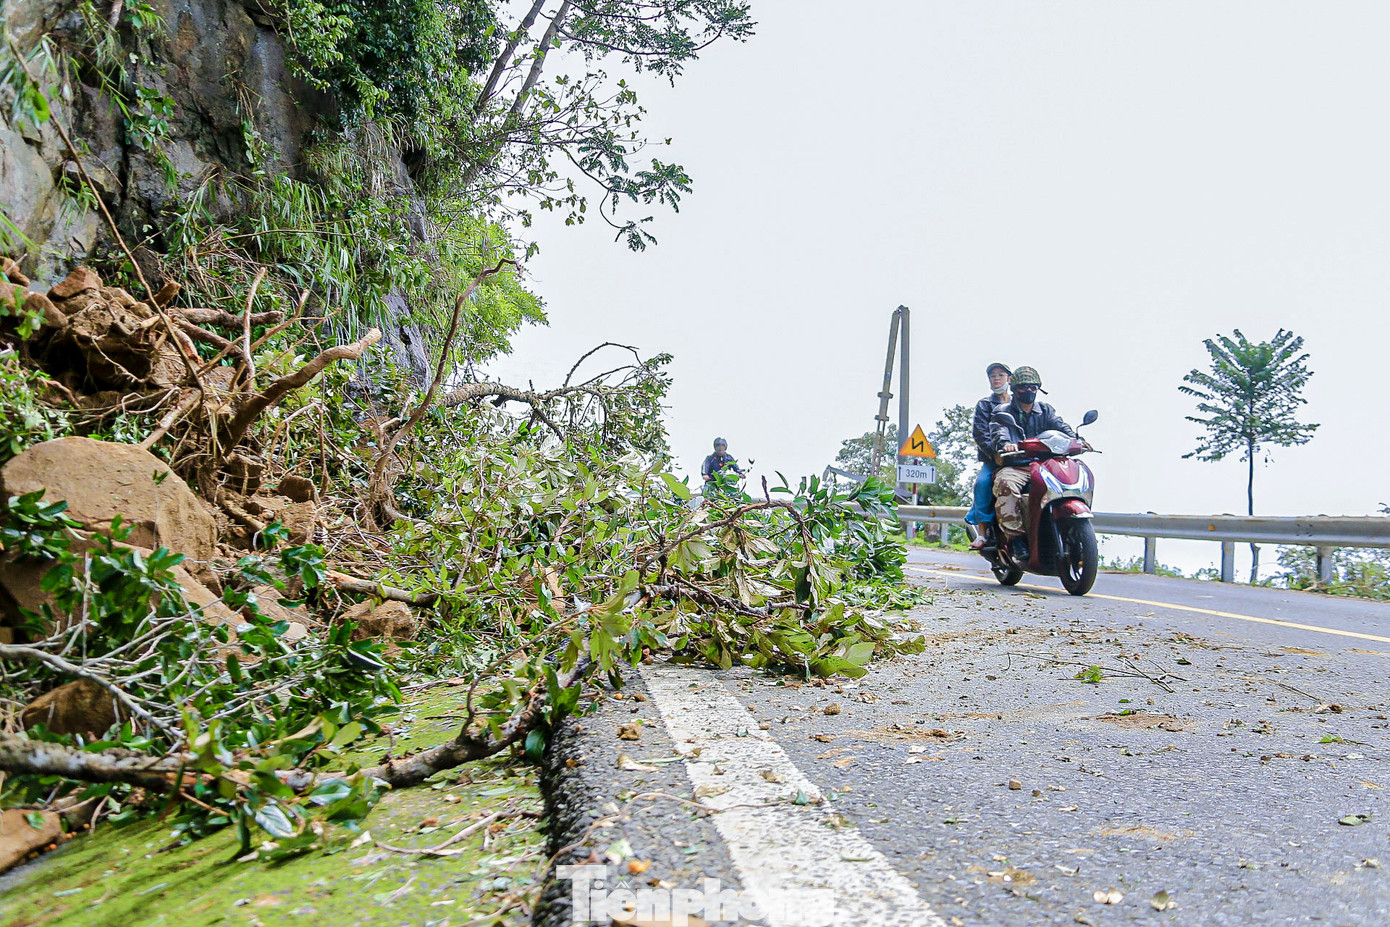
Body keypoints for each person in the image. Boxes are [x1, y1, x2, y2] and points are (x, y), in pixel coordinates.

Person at [989, 366, 1083, 551]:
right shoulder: (1003, 412)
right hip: (1017, 466)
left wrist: (1078, 440)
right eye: (1024, 387)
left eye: (1033, 387)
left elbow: (1061, 426)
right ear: (1014, 389)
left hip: (1045, 465)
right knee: (1006, 484)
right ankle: (1015, 539)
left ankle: (1069, 529)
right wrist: (1007, 444)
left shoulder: (1046, 410)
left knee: (1071, 480)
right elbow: (999, 433)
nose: (1029, 391)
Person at [965, 362, 1012, 548]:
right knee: (983, 484)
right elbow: (980, 434)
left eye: (1001, 375)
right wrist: (994, 454)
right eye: (993, 376)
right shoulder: (985, 404)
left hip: (1022, 458)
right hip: (995, 460)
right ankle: (982, 534)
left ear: (1009, 378)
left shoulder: (1019, 403)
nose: (997, 379)